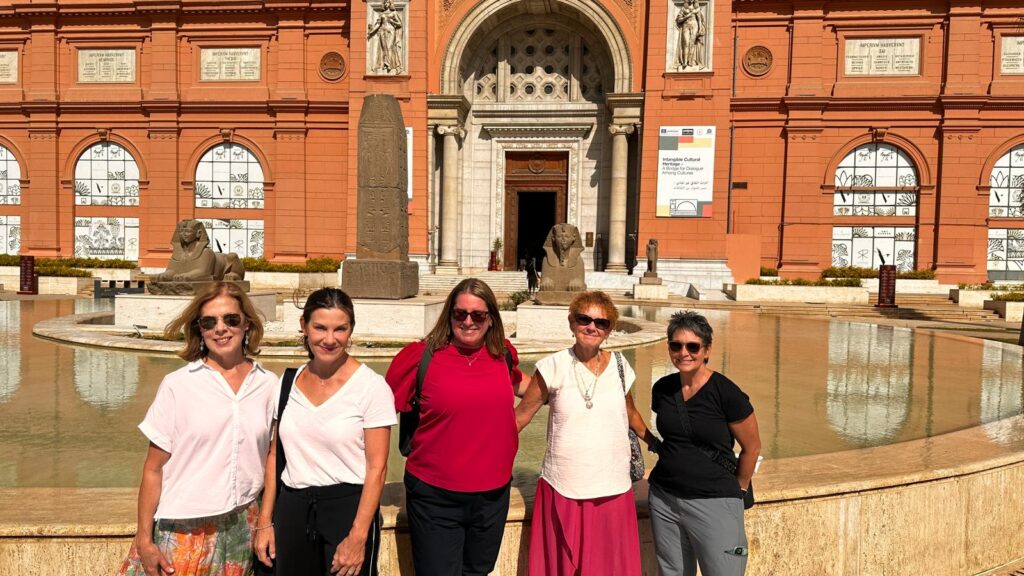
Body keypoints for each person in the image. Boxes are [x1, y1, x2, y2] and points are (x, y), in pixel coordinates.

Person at [117, 282, 277, 576]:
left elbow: (272, 456)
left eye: (231, 319)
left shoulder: (268, 385)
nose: (221, 329)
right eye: (209, 322)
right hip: (182, 530)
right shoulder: (178, 385)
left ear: (247, 325)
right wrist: (144, 538)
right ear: (199, 330)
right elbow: (153, 468)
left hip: (242, 525)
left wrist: (265, 521)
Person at [385, 278, 525, 576]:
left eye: (478, 315)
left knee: (479, 571)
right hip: (435, 495)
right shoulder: (419, 357)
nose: (469, 321)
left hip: (493, 495)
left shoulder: (503, 354)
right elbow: (377, 410)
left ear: (491, 319)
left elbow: (523, 384)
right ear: (449, 315)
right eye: (460, 313)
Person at [515, 290, 658, 576]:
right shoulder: (553, 365)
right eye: (584, 319)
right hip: (563, 487)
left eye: (601, 323)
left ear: (609, 330)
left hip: (613, 487)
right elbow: (521, 416)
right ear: (572, 322)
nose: (592, 327)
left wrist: (657, 443)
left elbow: (630, 413)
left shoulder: (620, 366)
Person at [254, 288, 395, 576]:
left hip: (347, 511)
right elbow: (274, 455)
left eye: (340, 329)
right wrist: (266, 521)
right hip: (292, 508)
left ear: (350, 330)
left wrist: (358, 536)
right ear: (304, 326)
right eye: (320, 327)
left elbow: (377, 468)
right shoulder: (288, 382)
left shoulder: (371, 386)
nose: (329, 339)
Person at [648, 311, 762, 576]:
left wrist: (740, 491)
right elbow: (673, 436)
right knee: (672, 572)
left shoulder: (727, 392)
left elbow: (752, 447)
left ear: (707, 350)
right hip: (664, 498)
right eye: (676, 345)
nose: (684, 352)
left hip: (715, 500)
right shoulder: (662, 388)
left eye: (693, 346)